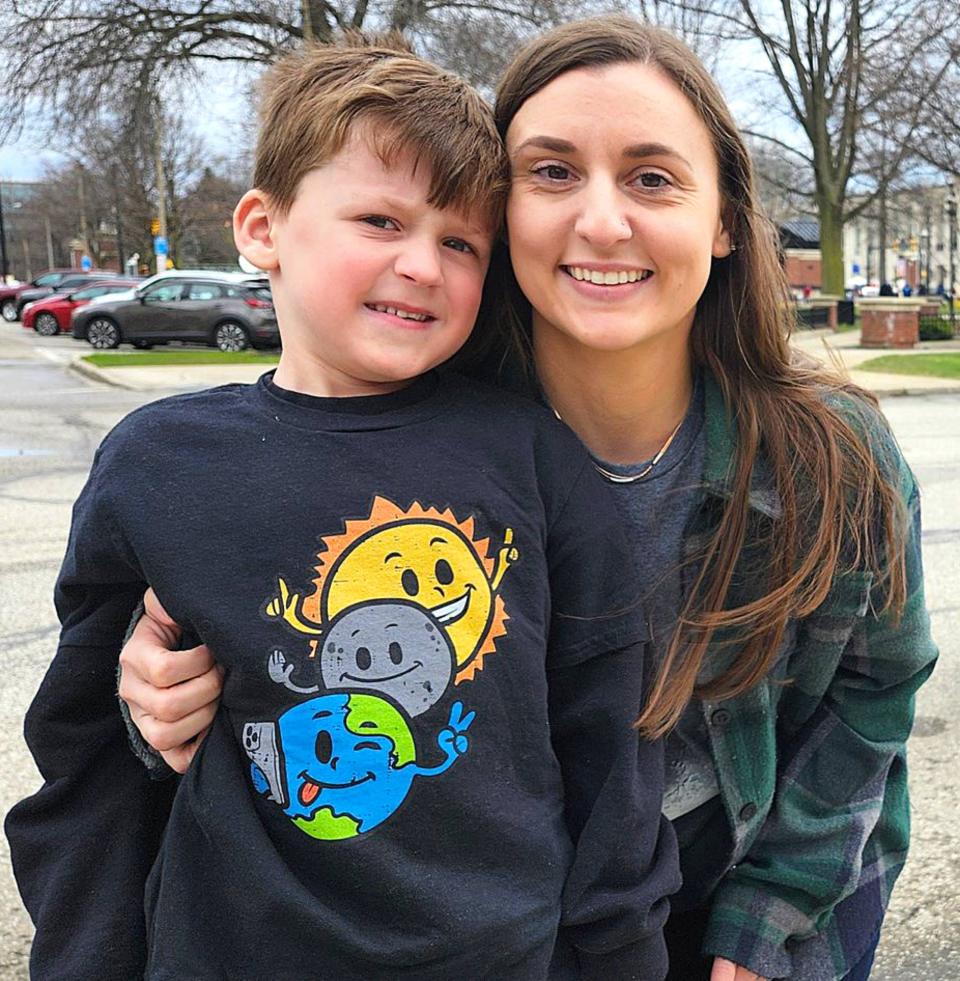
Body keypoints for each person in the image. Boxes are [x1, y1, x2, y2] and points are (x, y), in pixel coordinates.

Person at [119, 16, 936, 981]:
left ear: (723, 221)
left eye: (652, 177)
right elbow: (277, 664)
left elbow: (872, 698)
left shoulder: (833, 456)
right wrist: (156, 696)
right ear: (499, 211)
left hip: (752, 888)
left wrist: (766, 926)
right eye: (551, 172)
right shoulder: (411, 448)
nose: (600, 221)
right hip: (532, 923)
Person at [5, 38, 679, 981]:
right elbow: (87, 756)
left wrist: (620, 952)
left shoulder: (529, 454)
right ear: (262, 227)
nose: (422, 265)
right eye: (379, 219)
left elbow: (612, 730)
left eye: (460, 243)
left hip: (498, 955)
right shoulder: (157, 463)